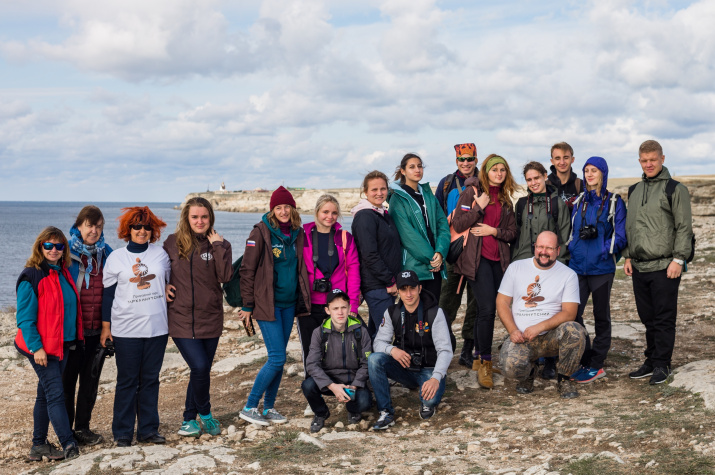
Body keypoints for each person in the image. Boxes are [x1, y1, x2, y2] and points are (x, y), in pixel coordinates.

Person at [238, 186, 312, 426]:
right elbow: (247, 270)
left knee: (279, 359)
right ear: (272, 210)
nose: (283, 211)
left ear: (292, 208)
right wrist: (247, 305)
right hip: (267, 305)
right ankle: (250, 406)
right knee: (277, 357)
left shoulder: (298, 234)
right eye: (278, 207)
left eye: (286, 207)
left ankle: (269, 408)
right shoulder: (260, 232)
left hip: (289, 304)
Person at [624, 140, 694, 385]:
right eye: (644, 160)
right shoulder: (633, 190)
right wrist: (628, 256)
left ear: (662, 159)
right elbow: (630, 226)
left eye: (653, 159)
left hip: (666, 265)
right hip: (640, 266)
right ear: (640, 161)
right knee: (647, 317)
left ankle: (662, 364)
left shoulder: (675, 189)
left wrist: (679, 259)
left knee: (664, 317)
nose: (649, 164)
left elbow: (684, 227)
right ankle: (651, 360)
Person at [101, 206, 170, 447]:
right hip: (125, 330)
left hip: (157, 328)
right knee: (127, 381)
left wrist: (169, 288)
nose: (142, 231)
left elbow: (168, 283)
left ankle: (148, 430)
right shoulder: (116, 258)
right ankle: (122, 433)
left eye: (147, 227)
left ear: (153, 230)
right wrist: (105, 328)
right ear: (127, 230)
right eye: (137, 226)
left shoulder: (161, 255)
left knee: (150, 380)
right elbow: (108, 296)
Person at [163, 197, 233, 437]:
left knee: (199, 371)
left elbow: (225, 276)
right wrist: (162, 285)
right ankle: (205, 413)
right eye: (195, 217)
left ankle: (187, 420)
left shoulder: (221, 244)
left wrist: (219, 247)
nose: (200, 221)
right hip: (181, 318)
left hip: (210, 318)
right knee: (200, 366)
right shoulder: (172, 243)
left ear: (210, 218)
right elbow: (159, 269)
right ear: (186, 218)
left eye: (204, 216)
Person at [451, 154, 518, 388]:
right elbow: (458, 224)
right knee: (488, 310)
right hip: (477, 261)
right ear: (485, 172)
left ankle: (479, 358)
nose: (498, 173)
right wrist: (478, 209)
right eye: (494, 170)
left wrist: (493, 231)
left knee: (485, 310)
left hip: (499, 261)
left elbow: (512, 233)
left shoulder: (507, 200)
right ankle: (486, 363)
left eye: (502, 170)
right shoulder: (472, 193)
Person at [16, 227, 82, 461]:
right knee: (55, 394)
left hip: (62, 345)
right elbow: (24, 318)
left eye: (59, 246)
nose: (54, 250)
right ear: (40, 247)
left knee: (45, 394)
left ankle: (38, 445)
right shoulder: (31, 275)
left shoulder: (63, 273)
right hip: (42, 349)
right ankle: (69, 444)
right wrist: (37, 348)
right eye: (49, 245)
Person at [497, 231, 586, 399]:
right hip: (522, 336)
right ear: (535, 247)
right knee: (510, 367)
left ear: (558, 250)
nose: (544, 252)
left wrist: (540, 327)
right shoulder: (516, 267)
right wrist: (512, 330)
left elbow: (570, 313)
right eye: (540, 247)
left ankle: (564, 378)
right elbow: (501, 302)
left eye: (549, 248)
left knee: (575, 331)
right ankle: (529, 373)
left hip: (551, 336)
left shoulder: (568, 275)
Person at [567, 157, 627, 383]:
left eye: (594, 171)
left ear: (603, 173)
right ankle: (586, 355)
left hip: (601, 268)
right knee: (574, 314)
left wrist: (603, 249)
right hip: (578, 267)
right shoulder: (579, 201)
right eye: (586, 171)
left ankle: (597, 365)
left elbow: (620, 236)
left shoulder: (614, 202)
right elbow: (572, 233)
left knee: (601, 316)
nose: (590, 174)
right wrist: (573, 248)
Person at [368, 270, 454, 429]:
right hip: (404, 367)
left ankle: (427, 394)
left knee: (429, 400)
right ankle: (385, 412)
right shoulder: (392, 312)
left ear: (420, 288)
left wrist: (436, 378)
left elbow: (445, 350)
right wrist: (392, 350)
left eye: (412, 288)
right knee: (374, 360)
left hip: (429, 369)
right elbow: (378, 343)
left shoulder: (435, 313)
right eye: (403, 289)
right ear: (398, 291)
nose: (408, 294)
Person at [62, 206, 113, 446]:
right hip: (72, 333)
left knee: (90, 383)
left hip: (98, 331)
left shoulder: (108, 253)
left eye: (98, 226)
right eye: (89, 225)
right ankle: (66, 433)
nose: (94, 231)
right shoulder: (64, 253)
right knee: (67, 384)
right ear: (79, 226)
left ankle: (82, 428)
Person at [299, 195, 360, 369]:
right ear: (317, 212)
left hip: (337, 305)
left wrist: (353, 305)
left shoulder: (344, 238)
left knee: (342, 351)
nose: (329, 216)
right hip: (310, 306)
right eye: (325, 212)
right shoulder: (303, 238)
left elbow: (354, 272)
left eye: (334, 213)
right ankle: (314, 388)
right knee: (311, 351)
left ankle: (343, 386)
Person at [434, 143, 479, 368]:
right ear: (456, 161)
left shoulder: (486, 181)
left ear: (476, 160)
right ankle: (444, 345)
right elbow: (438, 218)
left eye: (470, 158)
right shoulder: (445, 184)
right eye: (462, 159)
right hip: (452, 252)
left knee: (476, 303)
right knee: (446, 302)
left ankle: (468, 349)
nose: (466, 163)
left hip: (477, 252)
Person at [302, 289, 372, 432]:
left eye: (343, 307)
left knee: (365, 402)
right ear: (327, 310)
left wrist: (356, 385)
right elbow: (312, 364)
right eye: (335, 308)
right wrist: (332, 385)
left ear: (349, 308)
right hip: (329, 380)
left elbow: (366, 362)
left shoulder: (360, 331)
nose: (340, 312)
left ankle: (352, 409)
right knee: (307, 386)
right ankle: (321, 413)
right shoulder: (319, 332)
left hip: (352, 380)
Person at [388, 153, 450, 300]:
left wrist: (440, 252)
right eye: (412, 167)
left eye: (420, 166)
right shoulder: (397, 199)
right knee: (415, 314)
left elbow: (443, 225)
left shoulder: (428, 194)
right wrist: (431, 259)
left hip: (435, 265)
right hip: (414, 266)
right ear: (403, 171)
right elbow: (408, 235)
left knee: (433, 309)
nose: (417, 170)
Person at [351, 171, 402, 339]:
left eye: (383, 188)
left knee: (377, 333)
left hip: (384, 286)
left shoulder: (381, 214)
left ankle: (369, 364)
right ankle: (377, 365)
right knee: (385, 334)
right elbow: (369, 254)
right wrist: (390, 281)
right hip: (377, 286)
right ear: (365, 192)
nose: (379, 193)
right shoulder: (365, 216)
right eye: (374, 189)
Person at [547, 142, 582, 210]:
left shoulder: (581, 186)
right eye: (557, 158)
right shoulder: (545, 187)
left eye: (566, 158)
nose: (562, 162)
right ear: (552, 161)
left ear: (572, 159)